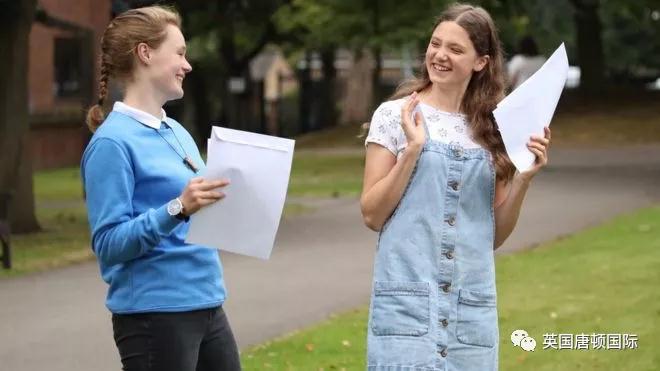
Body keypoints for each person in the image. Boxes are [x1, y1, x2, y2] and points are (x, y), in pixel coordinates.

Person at [360, 3, 551, 370]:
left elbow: (490, 236)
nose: (440, 55)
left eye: (456, 49)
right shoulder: (394, 115)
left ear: (481, 61)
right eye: (436, 44)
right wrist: (413, 150)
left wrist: (524, 178)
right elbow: (371, 213)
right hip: (405, 310)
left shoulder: (496, 129)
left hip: (470, 314)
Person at [81, 6, 241, 371]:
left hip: (207, 301)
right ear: (145, 53)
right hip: (155, 314)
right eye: (180, 53)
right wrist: (177, 208)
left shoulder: (177, 131)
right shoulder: (112, 143)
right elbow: (108, 244)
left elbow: (196, 209)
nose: (187, 65)